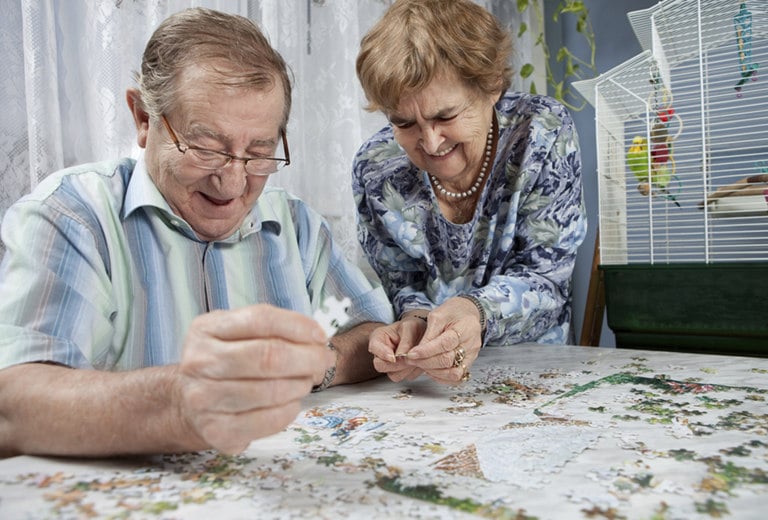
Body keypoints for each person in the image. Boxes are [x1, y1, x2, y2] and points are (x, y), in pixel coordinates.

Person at [0, 8, 392, 458]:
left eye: (259, 151)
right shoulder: (72, 214)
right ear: (144, 118)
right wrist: (180, 402)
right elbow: (13, 403)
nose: (232, 183)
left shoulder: (295, 222)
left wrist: (314, 365)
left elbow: (369, 333)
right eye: (207, 148)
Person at [353, 0, 587, 385]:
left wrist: (475, 311)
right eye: (404, 122)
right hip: (426, 382)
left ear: (491, 86)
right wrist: (414, 323)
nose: (430, 142)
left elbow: (547, 283)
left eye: (445, 116)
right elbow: (402, 287)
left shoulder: (541, 133)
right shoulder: (376, 167)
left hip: (535, 370)